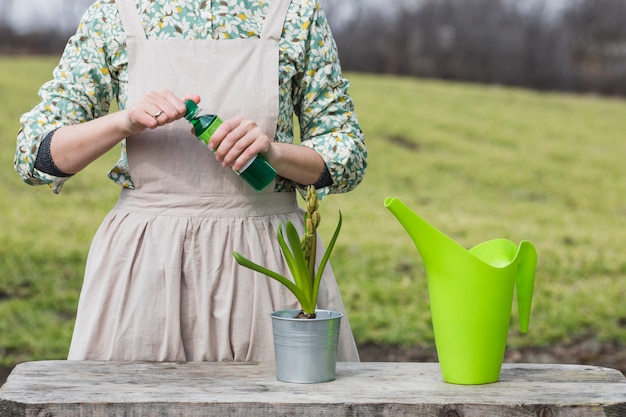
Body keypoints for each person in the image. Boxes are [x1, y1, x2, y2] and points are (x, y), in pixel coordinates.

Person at [14, 0, 366, 362]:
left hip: (269, 266)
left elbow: (348, 157)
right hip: (143, 270)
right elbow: (36, 156)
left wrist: (273, 153)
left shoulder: (295, 14)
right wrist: (124, 122)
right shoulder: (114, 14)